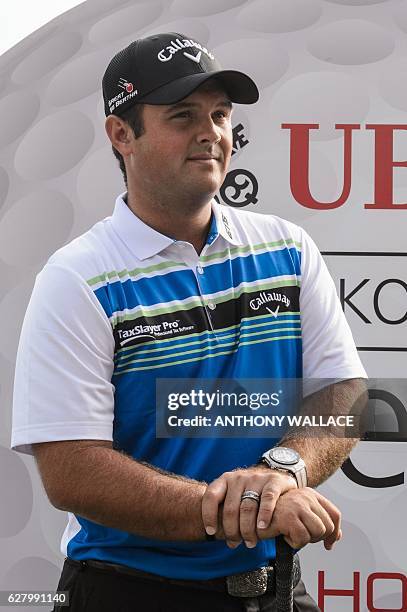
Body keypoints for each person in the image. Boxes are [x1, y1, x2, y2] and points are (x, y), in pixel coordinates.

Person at [11, 32, 367, 612]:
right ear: (121, 134)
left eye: (220, 115)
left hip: (275, 586)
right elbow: (72, 470)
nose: (212, 133)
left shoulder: (287, 247)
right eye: (183, 116)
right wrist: (243, 507)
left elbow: (343, 392)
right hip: (128, 591)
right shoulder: (77, 277)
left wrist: (283, 470)